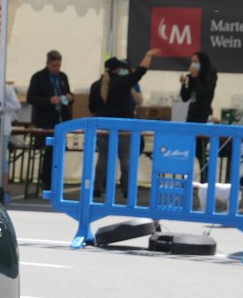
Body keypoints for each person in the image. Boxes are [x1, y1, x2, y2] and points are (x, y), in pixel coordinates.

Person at [89, 49, 157, 200]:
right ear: (117, 69)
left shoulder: (95, 86)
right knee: (125, 158)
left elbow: (92, 108)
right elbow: (141, 71)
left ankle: (97, 188)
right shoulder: (124, 82)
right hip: (123, 126)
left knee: (103, 158)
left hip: (103, 127)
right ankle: (128, 190)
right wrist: (148, 55)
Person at [25, 50, 73, 181]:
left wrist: (70, 97)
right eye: (54, 66)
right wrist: (49, 100)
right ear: (47, 64)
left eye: (59, 65)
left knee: (60, 150)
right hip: (44, 121)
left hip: (60, 119)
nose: (57, 68)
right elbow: (31, 98)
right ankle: (46, 179)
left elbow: (68, 93)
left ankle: (56, 178)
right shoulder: (38, 77)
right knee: (50, 150)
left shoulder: (62, 77)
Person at [180, 50, 218, 175]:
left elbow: (204, 95)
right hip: (192, 115)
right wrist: (183, 84)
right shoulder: (191, 77)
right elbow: (185, 97)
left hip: (204, 116)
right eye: (192, 62)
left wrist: (195, 78)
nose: (193, 65)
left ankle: (205, 178)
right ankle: (186, 178)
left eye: (196, 62)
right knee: (188, 150)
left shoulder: (211, 76)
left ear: (202, 63)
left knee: (200, 151)